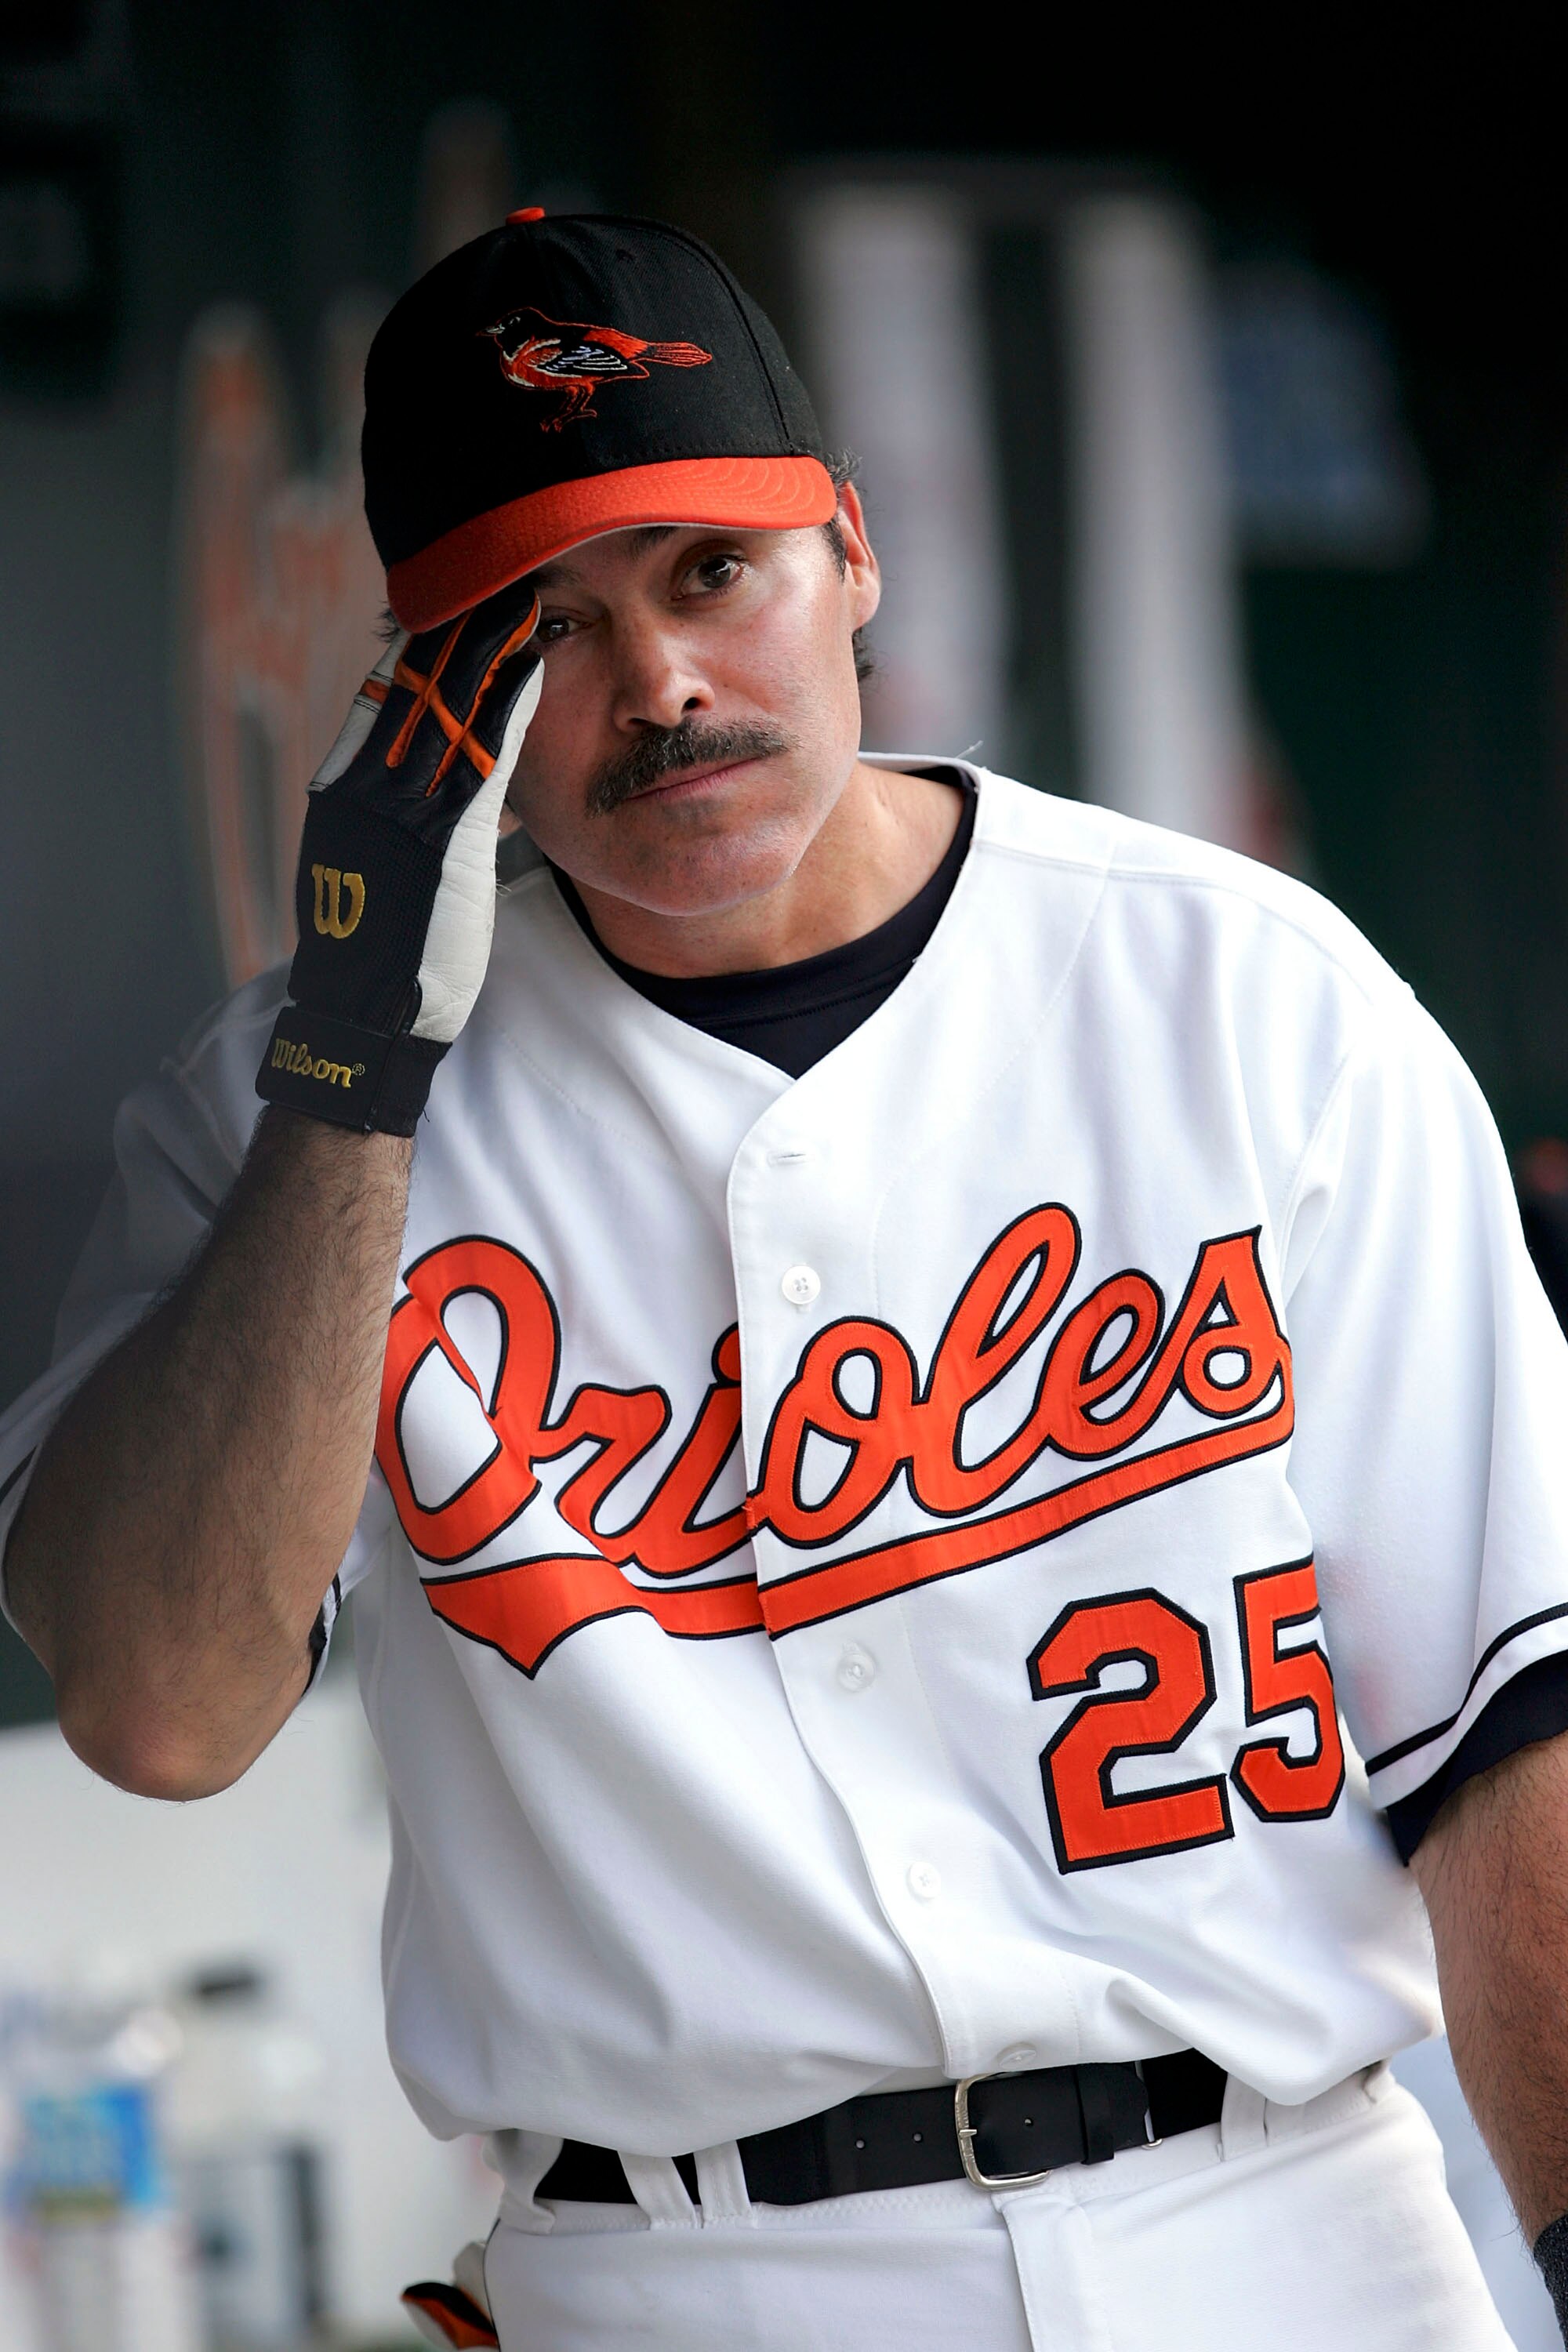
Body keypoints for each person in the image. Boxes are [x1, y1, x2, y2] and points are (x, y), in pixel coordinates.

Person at [3, 208, 1568, 2352]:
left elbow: (1517, 1745)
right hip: (682, 2275)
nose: (657, 684)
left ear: (851, 557)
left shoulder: (1247, 997)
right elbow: (160, 1706)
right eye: (537, 628)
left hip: (1286, 2225)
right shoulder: (280, 1130)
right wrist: (353, 1074)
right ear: (422, 710)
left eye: (709, 572)